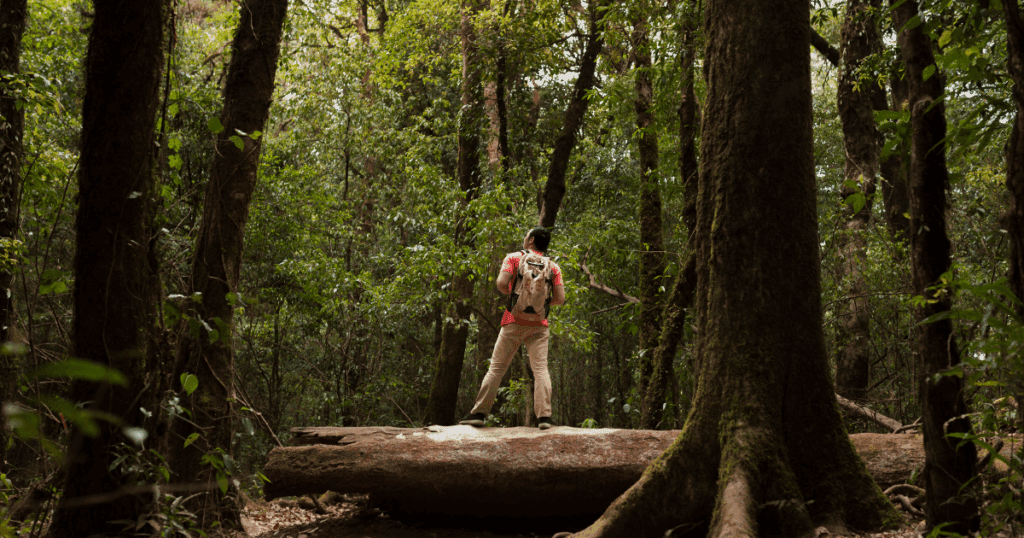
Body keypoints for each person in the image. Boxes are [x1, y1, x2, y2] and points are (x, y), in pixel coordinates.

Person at [460, 227, 566, 429]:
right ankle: (544, 418)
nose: (525, 238)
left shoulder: (514, 258)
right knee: (541, 369)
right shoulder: (554, 267)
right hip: (539, 325)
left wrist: (516, 299)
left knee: (497, 369)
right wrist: (540, 306)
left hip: (513, 321)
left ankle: (479, 413)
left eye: (527, 236)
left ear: (531, 240)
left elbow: (501, 283)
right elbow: (560, 299)